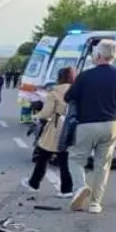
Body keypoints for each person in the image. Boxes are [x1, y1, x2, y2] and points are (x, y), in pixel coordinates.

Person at [63, 39, 116, 213]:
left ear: (97, 55)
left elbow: (68, 97)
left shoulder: (85, 76)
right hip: (112, 124)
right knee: (102, 165)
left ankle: (80, 187)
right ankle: (96, 203)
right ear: (114, 56)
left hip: (86, 124)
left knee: (75, 158)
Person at [22, 66, 74, 197]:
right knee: (64, 158)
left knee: (44, 155)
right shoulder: (77, 90)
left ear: (59, 78)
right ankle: (67, 189)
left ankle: (34, 183)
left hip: (56, 126)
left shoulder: (54, 93)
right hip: (71, 126)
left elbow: (46, 113)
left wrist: (36, 116)